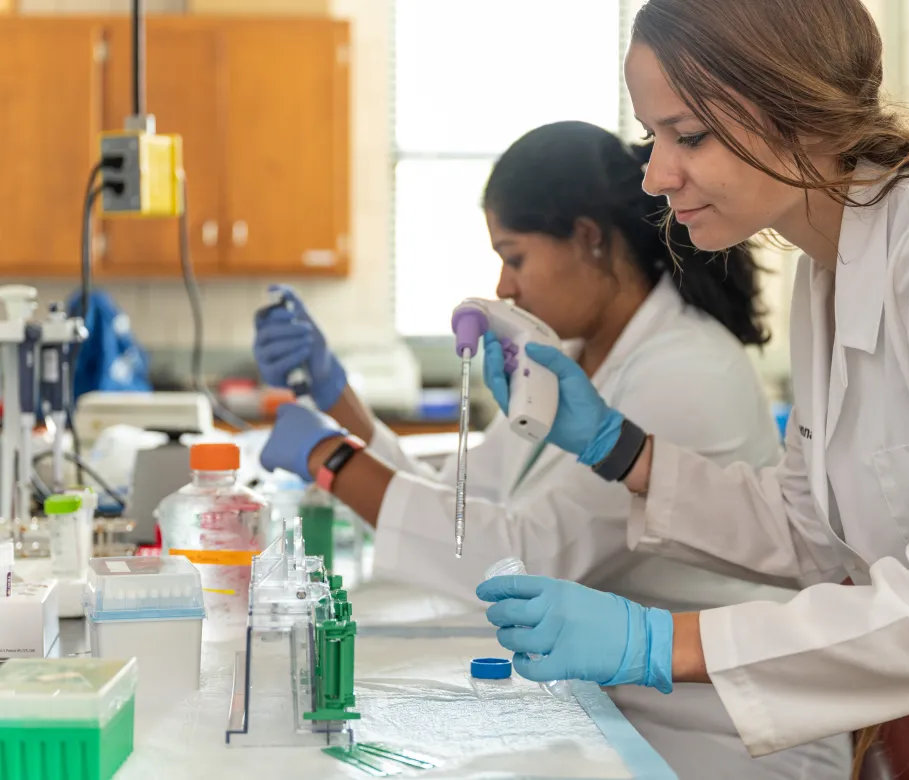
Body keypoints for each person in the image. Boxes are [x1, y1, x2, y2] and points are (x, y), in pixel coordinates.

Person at [255, 121, 851, 777]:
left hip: (722, 739)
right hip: (625, 711)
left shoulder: (685, 370)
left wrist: (331, 462)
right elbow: (468, 494)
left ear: (589, 239)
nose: (505, 289)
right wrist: (342, 405)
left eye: (514, 257)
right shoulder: (575, 359)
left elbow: (526, 553)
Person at [474, 0, 909, 773]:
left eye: (688, 136)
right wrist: (618, 447)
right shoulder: (826, 271)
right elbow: (808, 528)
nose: (657, 175)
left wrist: (662, 642)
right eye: (653, 136)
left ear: (800, 111)